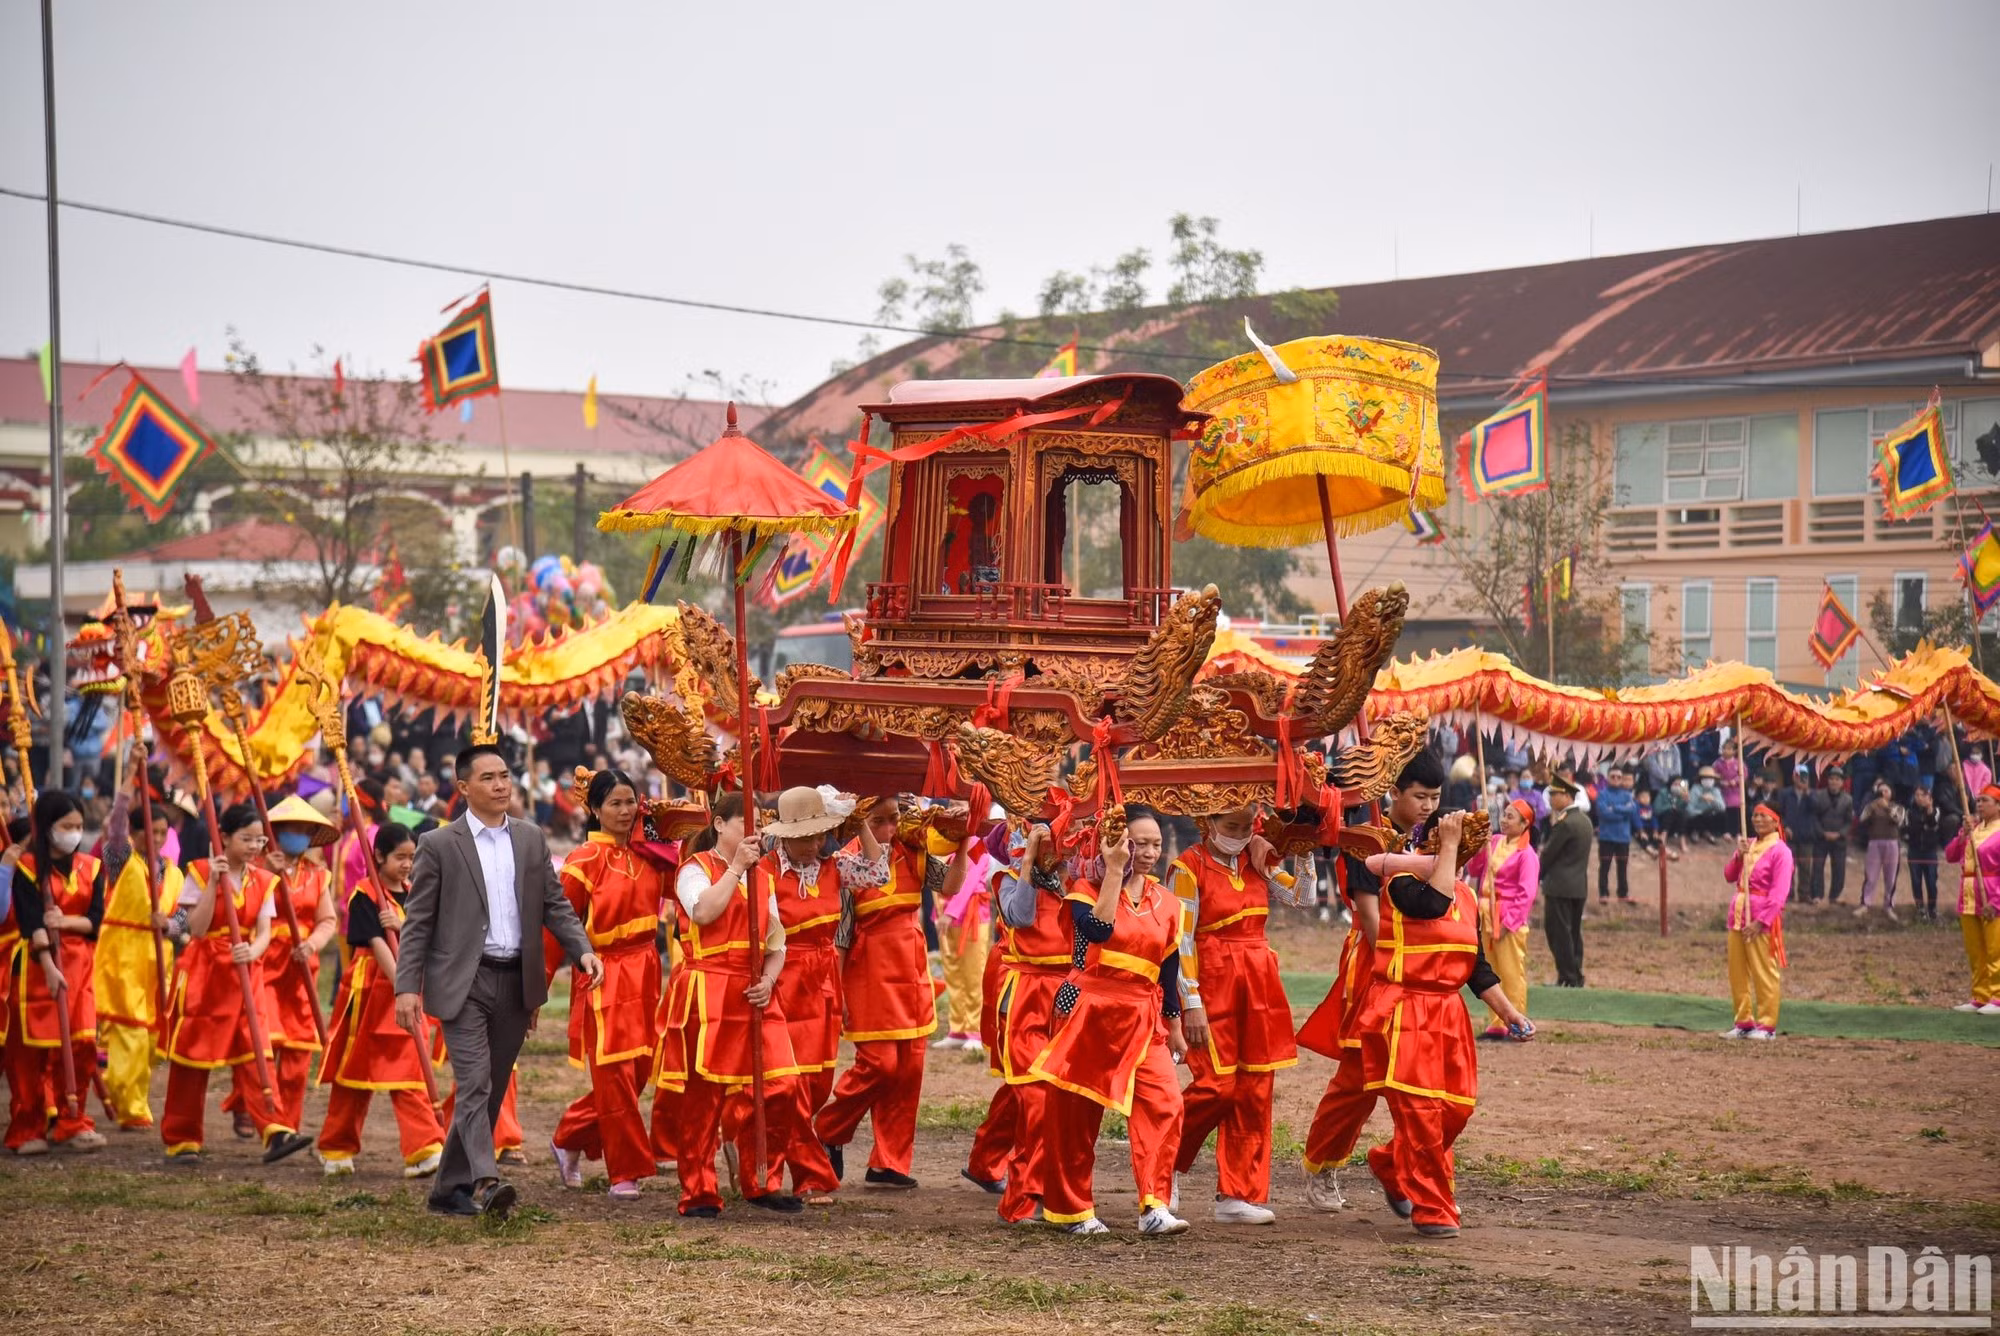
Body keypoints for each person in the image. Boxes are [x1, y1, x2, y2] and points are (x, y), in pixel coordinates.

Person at [1297, 811, 1532, 1238]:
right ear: (1430, 842)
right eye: (1455, 844)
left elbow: (1476, 966)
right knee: (1420, 1113)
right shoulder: (1400, 884)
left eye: (1466, 847)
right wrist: (1447, 846)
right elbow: (1432, 904)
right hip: (1406, 1010)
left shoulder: (1465, 896)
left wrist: (1509, 1011)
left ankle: (1392, 1163)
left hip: (1449, 1016)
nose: (1462, 854)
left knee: (1455, 1110)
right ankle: (1432, 1208)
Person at [394, 743, 603, 1219]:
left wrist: (583, 949)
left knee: (490, 1089)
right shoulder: (439, 844)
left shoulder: (530, 838)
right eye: (488, 777)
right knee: (474, 1083)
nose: (501, 784)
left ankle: (448, 1188)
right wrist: (407, 986)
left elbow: (554, 904)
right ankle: (485, 1182)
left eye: (505, 775)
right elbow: (418, 922)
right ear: (464, 787)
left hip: (515, 984)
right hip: (463, 983)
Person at [1027, 807, 1190, 1236]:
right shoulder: (1085, 890)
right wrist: (1115, 870)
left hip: (1143, 1013)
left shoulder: (1168, 903)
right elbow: (1098, 931)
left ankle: (1154, 1205)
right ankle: (1071, 1210)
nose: (1150, 852)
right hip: (1090, 1008)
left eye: (1156, 844)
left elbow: (1168, 969)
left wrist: (1174, 1025)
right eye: (1140, 843)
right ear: (1115, 843)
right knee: (1076, 1114)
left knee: (1166, 1103)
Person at [1298, 750, 1444, 1211]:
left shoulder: (1429, 840)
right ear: (1394, 792)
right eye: (1420, 797)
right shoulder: (1365, 840)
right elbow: (1371, 917)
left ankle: (1408, 1171)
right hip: (1376, 964)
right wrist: (1404, 961)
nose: (1428, 806)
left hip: (1422, 966)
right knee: (1358, 1079)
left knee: (1420, 1079)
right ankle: (1322, 1164)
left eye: (1435, 797)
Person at [653, 789, 806, 1217]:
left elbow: (777, 944)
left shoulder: (765, 877)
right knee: (704, 1096)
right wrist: (736, 868)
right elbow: (703, 912)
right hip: (709, 989)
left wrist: (769, 980)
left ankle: (763, 1179)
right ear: (720, 824)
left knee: (782, 1086)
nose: (755, 831)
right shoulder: (694, 868)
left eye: (761, 824)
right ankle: (699, 1190)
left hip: (756, 992)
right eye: (746, 822)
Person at [734, 785, 885, 1204]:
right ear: (785, 837)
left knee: (817, 1085)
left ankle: (770, 1159)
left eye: (821, 835)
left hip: (822, 982)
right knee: (788, 1085)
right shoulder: (762, 871)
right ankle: (806, 1175)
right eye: (806, 838)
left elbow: (879, 873)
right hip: (781, 979)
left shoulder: (834, 866)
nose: (815, 845)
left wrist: (859, 824)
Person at [815, 797, 968, 1191]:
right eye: (878, 820)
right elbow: (842, 935)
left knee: (909, 1070)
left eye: (894, 819)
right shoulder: (848, 861)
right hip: (868, 970)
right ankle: (829, 1129)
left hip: (911, 966)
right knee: (879, 1065)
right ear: (860, 820)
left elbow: (952, 885)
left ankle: (889, 1162)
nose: (887, 829)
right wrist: (838, 991)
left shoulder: (912, 850)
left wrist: (963, 840)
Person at [1167, 801, 1301, 1226]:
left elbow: (1299, 896)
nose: (1240, 834)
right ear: (1207, 821)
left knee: (1254, 1089)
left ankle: (1238, 1193)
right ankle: (1163, 1162)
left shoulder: (1257, 859)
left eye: (1247, 826)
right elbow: (1180, 940)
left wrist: (1302, 851)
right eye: (1231, 826)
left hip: (1258, 983)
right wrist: (1190, 1002)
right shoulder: (1187, 868)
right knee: (1215, 1087)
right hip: (1211, 984)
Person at [162, 803, 313, 1164]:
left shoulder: (264, 880)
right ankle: (182, 1137)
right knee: (193, 1056)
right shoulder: (199, 872)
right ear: (224, 838)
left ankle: (275, 1129)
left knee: (257, 1051)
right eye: (246, 839)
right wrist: (214, 883)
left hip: (246, 973)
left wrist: (252, 951)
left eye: (259, 840)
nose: (254, 847)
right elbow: (195, 928)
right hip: (205, 973)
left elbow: (264, 932)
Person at [548, 769, 667, 1201]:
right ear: (595, 809)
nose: (625, 810)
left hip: (647, 970)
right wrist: (538, 986)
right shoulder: (582, 861)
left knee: (637, 1074)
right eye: (614, 803)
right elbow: (558, 927)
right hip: (605, 972)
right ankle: (625, 1172)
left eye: (630, 801)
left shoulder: (651, 854)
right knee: (614, 1075)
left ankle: (568, 1136)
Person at [317, 823, 447, 1177]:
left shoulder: (415, 894)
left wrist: (403, 927)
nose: (407, 865)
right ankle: (336, 1147)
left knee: (409, 1067)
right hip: (370, 991)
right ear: (378, 856)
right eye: (400, 857)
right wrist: (403, 984)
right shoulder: (364, 895)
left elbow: (430, 939)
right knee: (354, 1071)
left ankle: (424, 1147)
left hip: (407, 990)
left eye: (411, 857)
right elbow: (376, 945)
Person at [965, 820, 1071, 1224]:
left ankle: (989, 1164)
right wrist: (1027, 862)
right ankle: (1023, 1198)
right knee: (1035, 1095)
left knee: (1036, 1094)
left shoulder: (1070, 878)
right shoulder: (1007, 879)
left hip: (1066, 993)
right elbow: (1022, 917)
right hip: (1025, 993)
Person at [2, 792, 108, 1154]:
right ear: (47, 827)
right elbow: (31, 922)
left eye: (78, 826)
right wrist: (48, 965)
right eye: (67, 826)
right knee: (30, 1053)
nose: (74, 832)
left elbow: (95, 921)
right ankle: (28, 1128)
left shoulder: (92, 868)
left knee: (82, 1045)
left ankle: (73, 1120)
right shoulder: (28, 867)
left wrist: (65, 921)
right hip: (37, 965)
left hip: (80, 966)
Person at [239, 795, 339, 1142]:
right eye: (289, 829)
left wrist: (312, 944)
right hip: (265, 963)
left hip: (301, 970)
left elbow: (327, 920)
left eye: (303, 830)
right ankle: (266, 1116)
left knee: (298, 1053)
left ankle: (289, 1125)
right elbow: (245, 909)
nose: (297, 835)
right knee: (264, 1043)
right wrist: (268, 872)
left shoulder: (318, 876)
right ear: (275, 833)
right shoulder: (256, 869)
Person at [93, 766, 184, 1131]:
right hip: (124, 956)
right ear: (135, 832)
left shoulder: (174, 873)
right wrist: (130, 774)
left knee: (150, 1036)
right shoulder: (121, 860)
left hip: (158, 961)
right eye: (150, 830)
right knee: (129, 1030)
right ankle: (130, 1105)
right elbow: (115, 827)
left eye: (162, 832)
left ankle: (132, 1096)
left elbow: (184, 919)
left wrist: (170, 925)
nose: (156, 837)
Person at [1720, 804, 1794, 1040]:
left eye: (1763, 816)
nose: (1757, 819)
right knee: (1737, 972)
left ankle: (1766, 1025)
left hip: (1761, 918)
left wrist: (1761, 922)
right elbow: (1729, 875)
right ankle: (1743, 1022)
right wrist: (1738, 855)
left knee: (1764, 972)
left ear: (1775, 821)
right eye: (1755, 815)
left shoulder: (1781, 851)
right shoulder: (1748, 844)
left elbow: (1779, 893)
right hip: (1738, 915)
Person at [1466, 798, 1538, 1038]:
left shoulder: (1527, 855)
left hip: (1507, 918)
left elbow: (1526, 894)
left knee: (1511, 972)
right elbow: (1475, 870)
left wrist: (1509, 923)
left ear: (1524, 824)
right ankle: (1496, 1022)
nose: (1504, 821)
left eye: (1510, 817)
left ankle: (1516, 1022)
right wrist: (1480, 846)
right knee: (1491, 970)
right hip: (1485, 913)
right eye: (1504, 815)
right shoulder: (1494, 841)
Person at [932, 824, 993, 1057]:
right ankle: (957, 1028)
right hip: (944, 915)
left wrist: (949, 913)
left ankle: (975, 1029)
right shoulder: (942, 841)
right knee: (953, 972)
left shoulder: (978, 842)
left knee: (973, 973)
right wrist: (939, 913)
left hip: (971, 916)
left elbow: (969, 880)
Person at [1942, 786, 2000, 1014]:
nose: (1979, 804)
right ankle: (1980, 995)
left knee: (1996, 949)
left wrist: (1995, 902)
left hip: (1992, 894)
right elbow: (1950, 855)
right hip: (1968, 895)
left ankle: (1998, 996)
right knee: (1976, 950)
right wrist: (1963, 835)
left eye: (1985, 800)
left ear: (1998, 806)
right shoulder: (1972, 828)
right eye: (1978, 800)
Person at [1539, 776, 1590, 986]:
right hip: (1578, 886)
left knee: (1559, 934)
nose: (1551, 798)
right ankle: (1575, 975)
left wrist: (1535, 875)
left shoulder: (1565, 823)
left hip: (1559, 887)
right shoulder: (1584, 821)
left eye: (1555, 794)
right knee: (1573, 933)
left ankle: (1567, 977)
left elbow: (1549, 854)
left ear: (1567, 796)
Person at [1856, 778, 1906, 919]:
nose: (1883, 793)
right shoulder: (1871, 807)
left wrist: (1887, 807)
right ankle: (1865, 903)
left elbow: (1900, 820)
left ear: (1891, 793)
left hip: (1892, 844)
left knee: (1890, 877)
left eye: (1886, 790)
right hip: (1874, 843)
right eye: (1880, 791)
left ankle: (1888, 905)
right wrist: (1872, 807)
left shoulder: (1897, 807)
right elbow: (1861, 819)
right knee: (1870, 875)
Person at [1806, 768, 1854, 905]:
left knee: (1839, 868)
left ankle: (1835, 896)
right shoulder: (1818, 795)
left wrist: (1840, 834)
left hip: (1839, 840)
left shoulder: (1848, 799)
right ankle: (1816, 895)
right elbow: (1813, 817)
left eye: (1837, 779)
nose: (1834, 782)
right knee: (1817, 867)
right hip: (1821, 838)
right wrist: (1822, 833)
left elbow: (1849, 821)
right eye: (1831, 779)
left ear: (1842, 782)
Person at [1593, 766, 1636, 904]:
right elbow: (1603, 813)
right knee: (1605, 866)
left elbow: (1632, 810)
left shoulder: (1627, 795)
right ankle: (1603, 893)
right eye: (1613, 776)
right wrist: (1623, 813)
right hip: (1606, 837)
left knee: (1622, 867)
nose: (1616, 779)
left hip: (1623, 838)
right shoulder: (1602, 794)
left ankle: (1623, 894)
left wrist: (1615, 808)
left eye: (1619, 777)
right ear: (1608, 778)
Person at [1905, 786, 1943, 924]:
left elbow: (1933, 823)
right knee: (1916, 881)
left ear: (1929, 797)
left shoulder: (1936, 811)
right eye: (1917, 795)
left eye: (1922, 795)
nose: (1919, 798)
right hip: (1914, 850)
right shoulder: (1910, 812)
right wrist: (1923, 825)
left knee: (1931, 881)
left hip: (1930, 852)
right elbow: (1910, 829)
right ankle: (1920, 909)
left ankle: (1932, 909)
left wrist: (1929, 810)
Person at [1688, 768, 1726, 843]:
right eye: (1705, 778)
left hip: (1710, 816)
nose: (1708, 781)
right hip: (1696, 816)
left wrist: (1713, 800)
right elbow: (1689, 809)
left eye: (1711, 779)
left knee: (1721, 814)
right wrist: (1701, 812)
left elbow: (1722, 808)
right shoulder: (1695, 789)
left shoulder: (1715, 790)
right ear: (1701, 779)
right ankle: (1696, 832)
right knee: (1699, 816)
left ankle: (1708, 832)